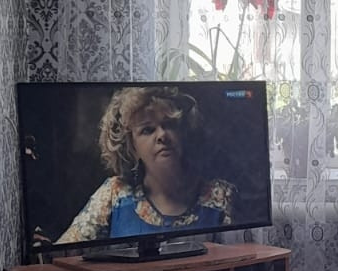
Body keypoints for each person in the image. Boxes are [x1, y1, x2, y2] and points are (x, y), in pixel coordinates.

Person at [56, 85, 236, 243]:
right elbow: (63, 252)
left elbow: (239, 260)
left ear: (184, 132)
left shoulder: (219, 196)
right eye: (147, 130)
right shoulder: (114, 194)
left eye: (169, 124)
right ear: (131, 147)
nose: (162, 135)